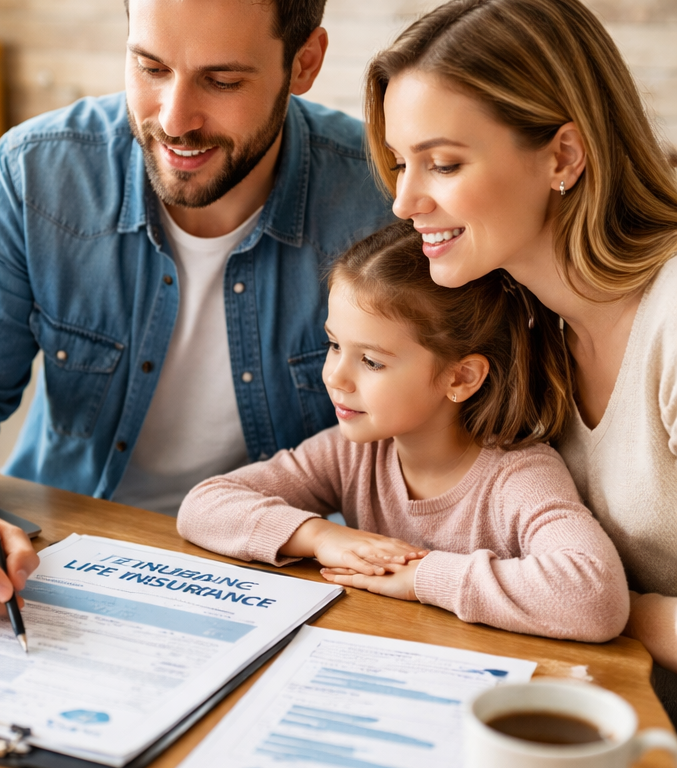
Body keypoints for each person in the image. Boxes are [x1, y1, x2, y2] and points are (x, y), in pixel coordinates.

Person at [0, 0, 392, 618]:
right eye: (150, 68)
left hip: (289, 574)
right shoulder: (38, 174)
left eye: (221, 80)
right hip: (62, 561)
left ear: (304, 63)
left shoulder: (381, 198)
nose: (175, 119)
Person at [364, 0, 677, 713]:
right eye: (400, 163)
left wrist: (600, 605)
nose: (404, 202)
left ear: (563, 154)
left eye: (443, 164)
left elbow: (581, 597)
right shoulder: (525, 319)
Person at [177, 221, 629, 641]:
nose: (335, 377)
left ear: (460, 378)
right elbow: (203, 505)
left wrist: (421, 577)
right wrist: (321, 537)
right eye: (334, 345)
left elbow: (596, 597)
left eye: (371, 361)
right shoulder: (354, 454)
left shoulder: (518, 476)